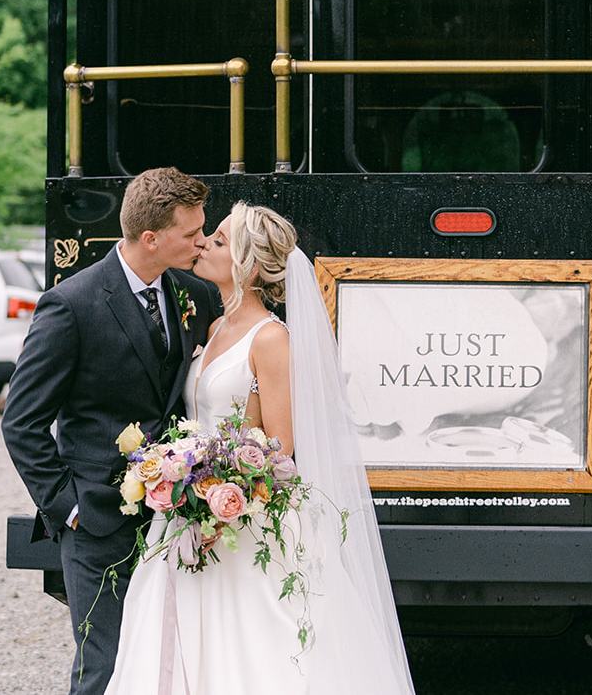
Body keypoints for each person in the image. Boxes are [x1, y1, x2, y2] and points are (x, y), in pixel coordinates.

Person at [104, 202, 415, 695]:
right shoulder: (213, 329)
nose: (204, 243)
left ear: (246, 266)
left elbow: (280, 448)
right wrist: (175, 470)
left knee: (252, 654)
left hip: (243, 525)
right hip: (192, 515)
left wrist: (219, 497)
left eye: (220, 240)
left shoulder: (270, 339)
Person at [2, 167, 221, 695]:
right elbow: (22, 420)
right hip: (96, 521)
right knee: (103, 666)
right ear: (151, 238)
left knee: (170, 662)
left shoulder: (195, 294)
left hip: (176, 518)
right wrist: (68, 507)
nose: (202, 241)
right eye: (191, 234)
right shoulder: (71, 305)